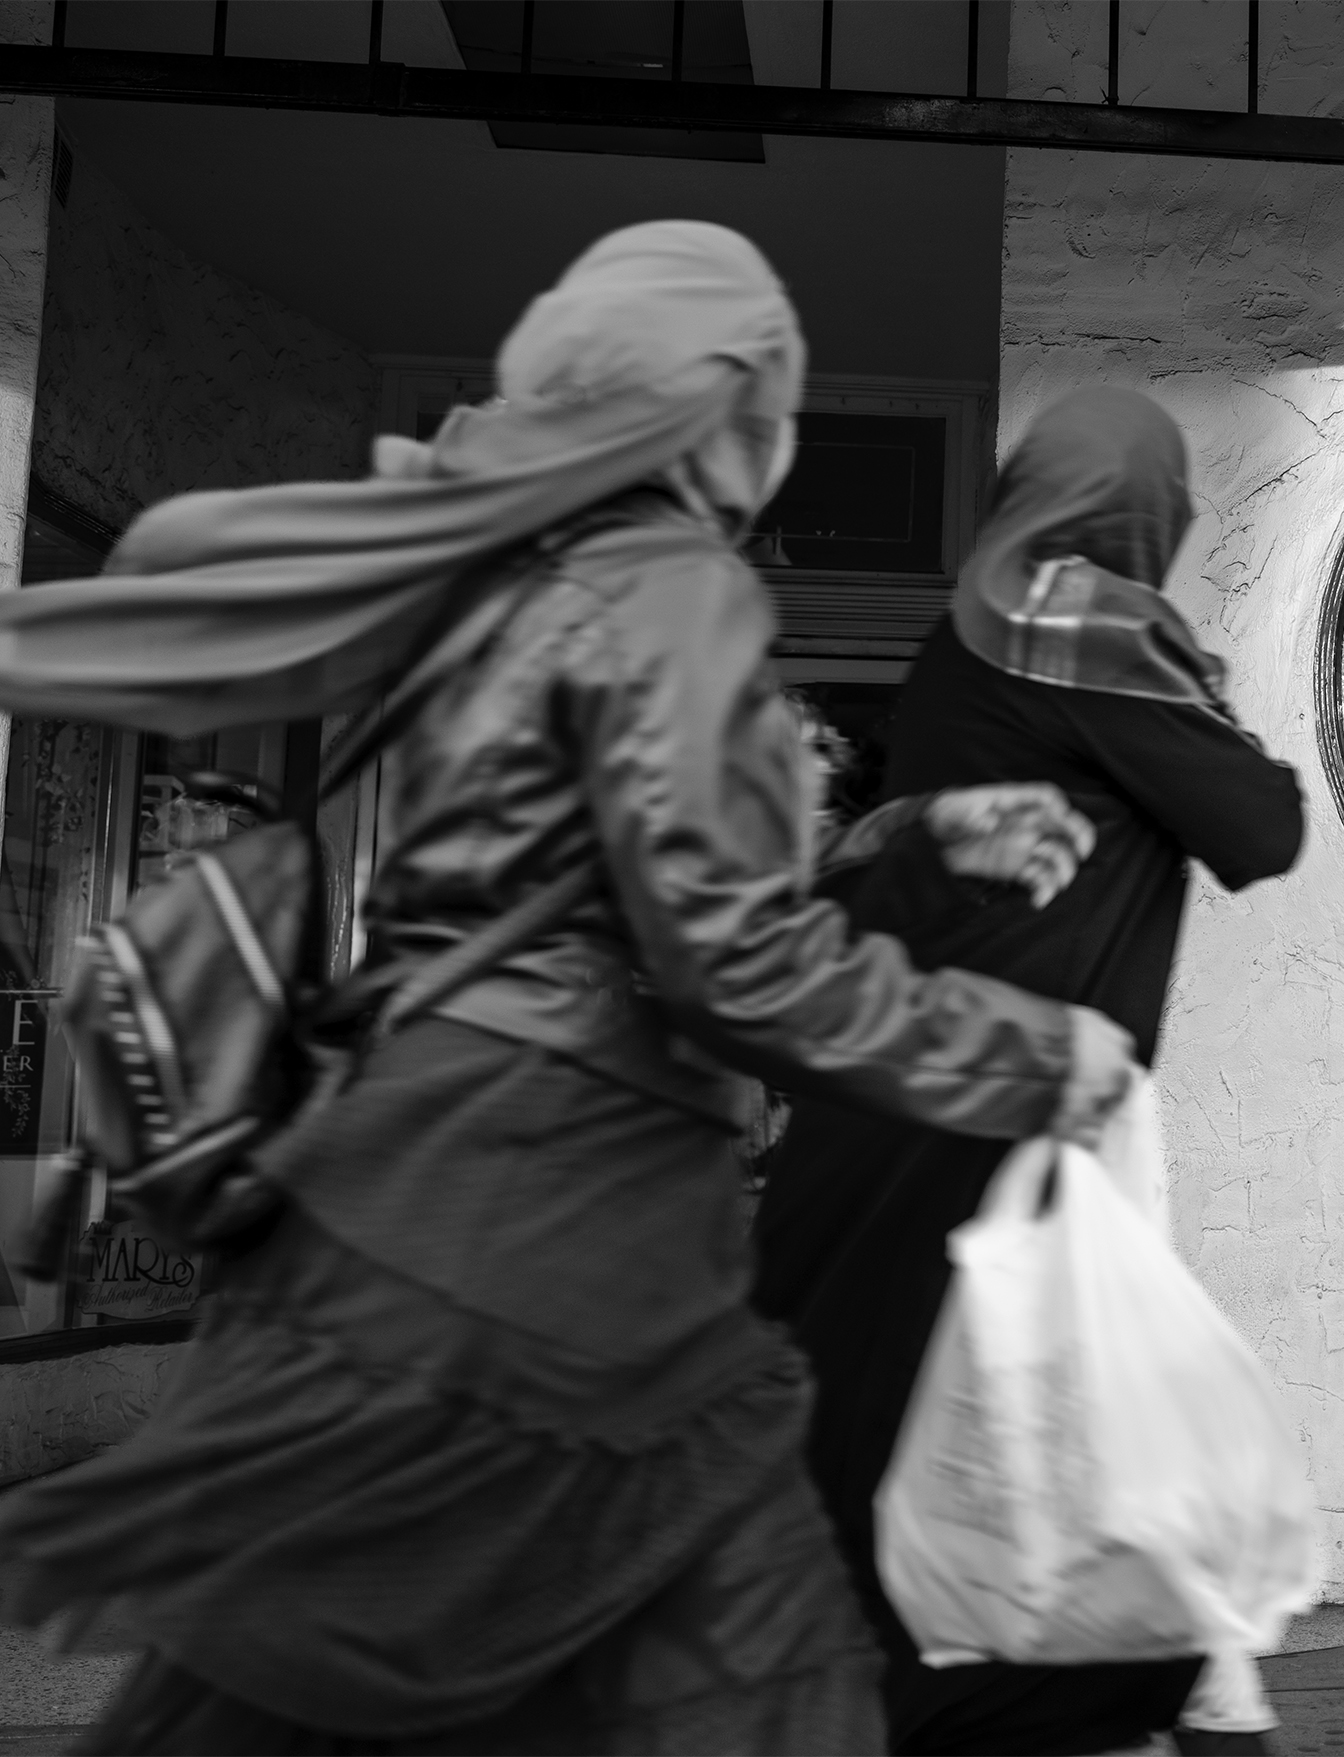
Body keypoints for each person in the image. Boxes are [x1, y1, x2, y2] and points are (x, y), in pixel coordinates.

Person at [0, 223, 1135, 1754]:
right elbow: (730, 959)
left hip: (400, 1200)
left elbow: (603, 879)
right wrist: (1025, 1051)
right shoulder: (671, 584)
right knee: (737, 1660)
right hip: (563, 1225)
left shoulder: (503, 580)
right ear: (721, 403)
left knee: (323, 1659)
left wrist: (905, 836)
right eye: (774, 395)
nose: (780, 439)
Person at [749, 386, 1305, 1757]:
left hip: (885, 1084)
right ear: (1143, 511)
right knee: (1055, 1405)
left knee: (877, 1402)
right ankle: (1128, 1682)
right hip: (1014, 1094)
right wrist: (1216, 716)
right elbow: (1259, 824)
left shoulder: (956, 648)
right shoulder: (1097, 630)